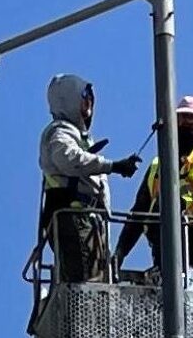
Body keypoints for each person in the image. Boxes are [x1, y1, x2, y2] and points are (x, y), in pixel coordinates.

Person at [114, 96, 193, 288]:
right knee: (167, 288)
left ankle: (187, 282)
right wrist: (120, 253)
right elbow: (138, 215)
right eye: (184, 118)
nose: (189, 123)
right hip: (163, 241)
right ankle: (167, 280)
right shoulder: (158, 167)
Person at [39, 73, 141, 282]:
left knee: (95, 280)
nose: (89, 100)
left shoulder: (76, 136)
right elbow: (68, 158)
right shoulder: (60, 133)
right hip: (76, 220)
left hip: (87, 222)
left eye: (90, 95)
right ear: (67, 99)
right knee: (88, 285)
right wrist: (112, 166)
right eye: (83, 94)